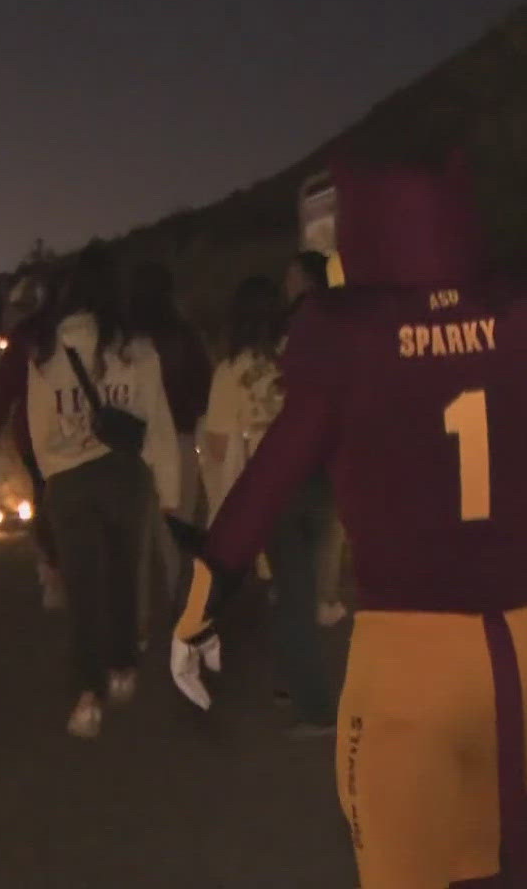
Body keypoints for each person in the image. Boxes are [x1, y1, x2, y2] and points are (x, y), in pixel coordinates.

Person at [171, 121, 527, 887]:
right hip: (517, 658)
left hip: (408, 661)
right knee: (480, 866)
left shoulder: (343, 340)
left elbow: (269, 475)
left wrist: (201, 601)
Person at [25, 244, 181, 738]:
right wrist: (168, 484)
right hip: (124, 475)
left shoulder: (52, 351)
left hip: (71, 480)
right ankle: (121, 668)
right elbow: (157, 422)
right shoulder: (136, 350)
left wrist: (56, 475)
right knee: (122, 575)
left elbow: (39, 428)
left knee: (83, 588)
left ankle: (86, 696)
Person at [200, 273, 336, 735]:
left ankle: (315, 707)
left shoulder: (231, 370)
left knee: (290, 593)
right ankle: (290, 678)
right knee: (299, 588)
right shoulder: (297, 355)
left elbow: (217, 446)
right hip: (317, 477)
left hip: (273, 485)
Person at [128, 261, 211, 635]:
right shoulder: (185, 335)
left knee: (136, 538)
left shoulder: (127, 341)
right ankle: (184, 613)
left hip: (134, 446)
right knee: (176, 533)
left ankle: (138, 621)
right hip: (178, 439)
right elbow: (204, 388)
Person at [0, 269, 64, 610]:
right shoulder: (69, 334)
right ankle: (67, 572)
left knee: (46, 503)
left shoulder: (26, 338)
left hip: (36, 437)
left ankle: (53, 574)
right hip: (68, 435)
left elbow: (6, 388)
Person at [286, 250, 349, 628]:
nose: (286, 283)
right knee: (328, 522)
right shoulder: (340, 319)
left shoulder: (292, 322)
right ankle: (322, 598)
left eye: (292, 275)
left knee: (305, 517)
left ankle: (299, 591)